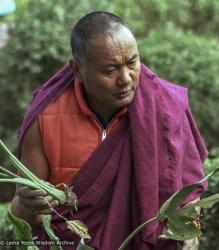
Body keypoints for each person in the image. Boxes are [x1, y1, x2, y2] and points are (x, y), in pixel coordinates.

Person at [11, 11, 208, 250]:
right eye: (110, 70)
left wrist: (191, 233)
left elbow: (189, 192)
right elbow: (21, 218)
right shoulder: (46, 117)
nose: (125, 78)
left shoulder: (164, 108)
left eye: (132, 63)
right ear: (77, 69)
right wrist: (27, 204)